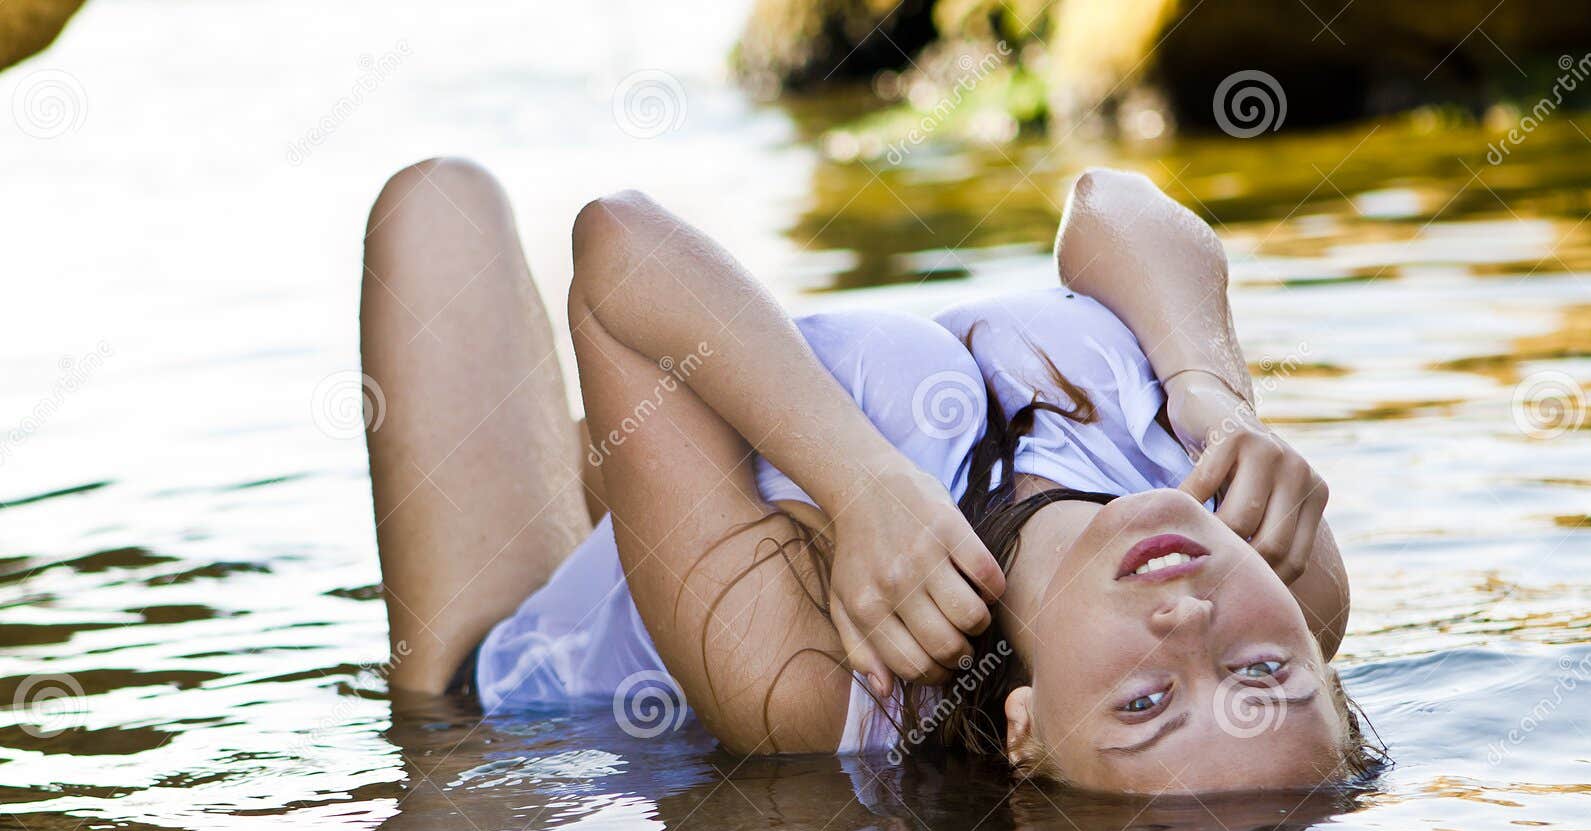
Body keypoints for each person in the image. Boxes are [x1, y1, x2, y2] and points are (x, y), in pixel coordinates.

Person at [360, 159, 1381, 795]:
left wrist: (859, 484)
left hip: (511, 676)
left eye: (1145, 701)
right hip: (715, 457)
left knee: (438, 199)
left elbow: (616, 248)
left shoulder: (818, 688)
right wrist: (1211, 392)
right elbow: (1111, 200)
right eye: (1262, 675)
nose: (1190, 626)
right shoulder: (1270, 553)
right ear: (1319, 668)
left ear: (1025, 733)